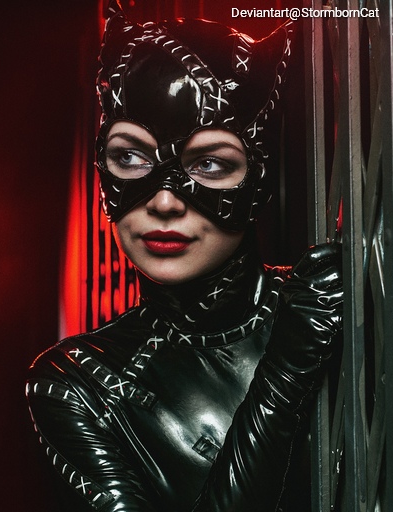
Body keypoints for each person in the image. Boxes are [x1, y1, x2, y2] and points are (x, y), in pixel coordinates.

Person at [25, 2, 342, 511]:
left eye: (211, 161)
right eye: (130, 156)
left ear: (258, 177)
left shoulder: (336, 305)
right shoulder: (77, 385)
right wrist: (285, 371)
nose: (165, 201)